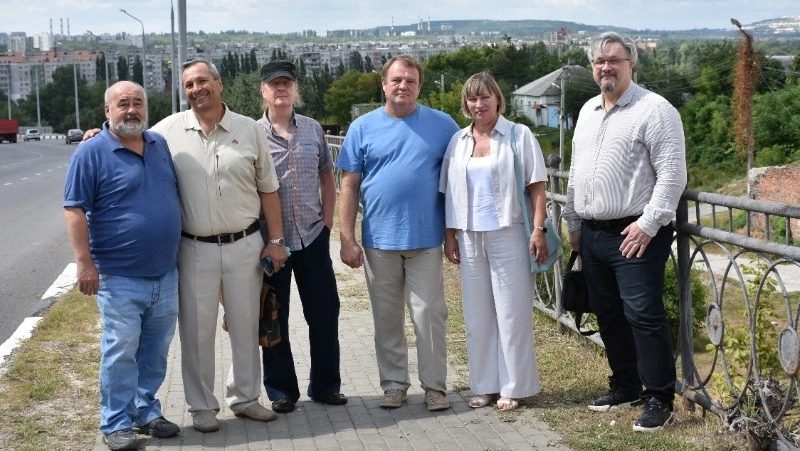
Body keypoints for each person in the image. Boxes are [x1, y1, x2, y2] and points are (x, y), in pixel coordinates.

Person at [152, 59, 289, 432]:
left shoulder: (248, 129)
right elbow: (129, 141)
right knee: (197, 330)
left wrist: (276, 241)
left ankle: (245, 398)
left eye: (203, 81)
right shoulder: (167, 131)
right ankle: (201, 406)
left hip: (246, 244)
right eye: (189, 84)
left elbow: (269, 189)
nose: (197, 89)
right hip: (194, 247)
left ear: (219, 83)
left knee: (245, 324)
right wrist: (98, 133)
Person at [563, 32, 687, 432]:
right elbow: (576, 173)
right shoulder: (587, 110)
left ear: (631, 64)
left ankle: (660, 398)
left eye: (614, 60)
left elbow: (673, 175)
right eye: (599, 61)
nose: (606, 67)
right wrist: (574, 222)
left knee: (643, 315)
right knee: (609, 313)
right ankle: (626, 386)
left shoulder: (655, 110)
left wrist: (648, 224)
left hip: (636, 233)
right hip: (594, 234)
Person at [337, 55, 460, 411]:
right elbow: (349, 186)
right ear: (384, 84)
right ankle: (394, 384)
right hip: (379, 241)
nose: (403, 86)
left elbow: (456, 183)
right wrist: (347, 238)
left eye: (410, 80)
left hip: (426, 239)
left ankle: (435, 387)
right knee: (386, 317)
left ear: (419, 86)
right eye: (396, 80)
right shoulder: (362, 128)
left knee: (429, 315)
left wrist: (452, 234)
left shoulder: (443, 125)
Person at [64, 81, 182, 450]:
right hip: (118, 276)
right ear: (107, 111)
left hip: (165, 273)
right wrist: (84, 264)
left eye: (138, 103)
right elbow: (74, 209)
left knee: (155, 351)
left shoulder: (159, 144)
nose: (131, 110)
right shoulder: (91, 152)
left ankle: (145, 410)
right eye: (123, 104)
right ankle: (115, 422)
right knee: (121, 351)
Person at [439, 72, 547, 412]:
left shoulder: (518, 134)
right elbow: (448, 192)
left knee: (512, 313)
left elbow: (537, 186)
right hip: (470, 237)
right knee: (477, 316)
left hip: (509, 233)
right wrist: (450, 235)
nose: (479, 104)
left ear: (498, 99)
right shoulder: (457, 141)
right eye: (472, 99)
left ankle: (513, 386)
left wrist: (538, 229)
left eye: (485, 97)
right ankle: (484, 386)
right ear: (465, 104)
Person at [256, 60, 346, 413]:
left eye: (287, 83)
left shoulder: (313, 129)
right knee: (274, 316)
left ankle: (325, 386)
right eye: (274, 84)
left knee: (325, 313)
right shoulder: (252, 133)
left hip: (312, 237)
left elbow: (327, 175)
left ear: (296, 89)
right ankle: (281, 391)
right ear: (263, 91)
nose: (281, 89)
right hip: (272, 242)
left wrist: (327, 223)